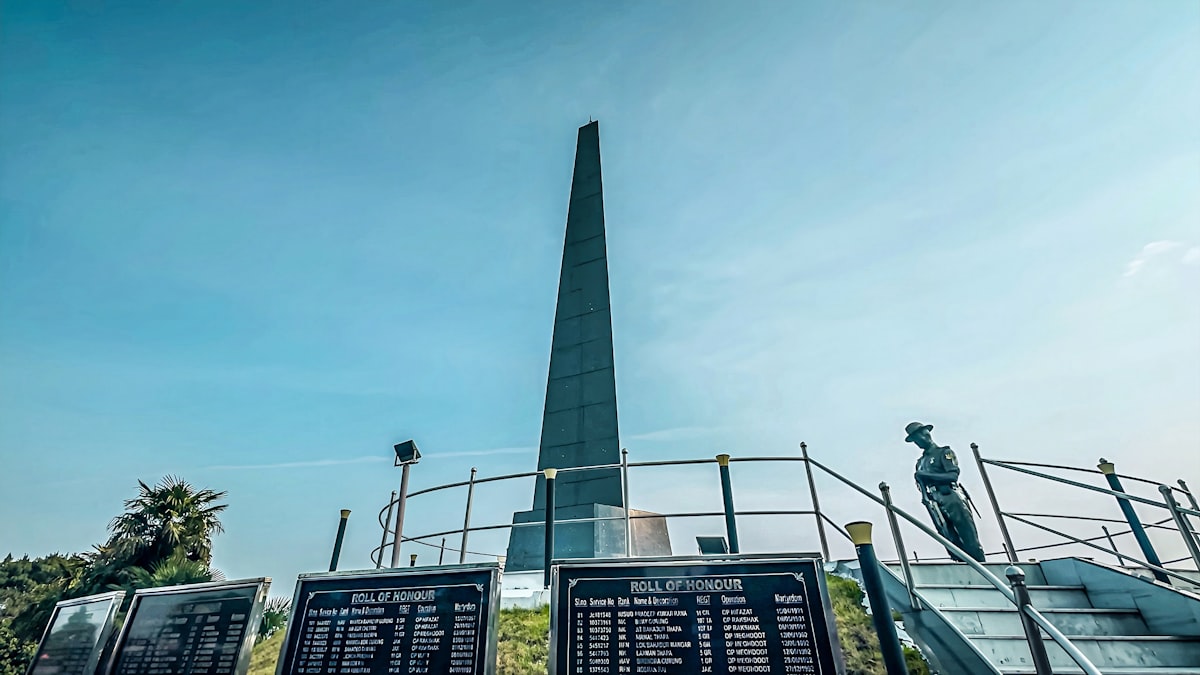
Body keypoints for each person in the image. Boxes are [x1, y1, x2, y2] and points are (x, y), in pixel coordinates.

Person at [905, 421, 986, 562]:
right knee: (946, 535)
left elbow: (952, 475)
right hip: (934, 499)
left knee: (966, 533)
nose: (918, 442)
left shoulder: (944, 452)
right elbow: (921, 484)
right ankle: (960, 562)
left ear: (926, 434)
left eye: (919, 437)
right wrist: (925, 497)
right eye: (915, 440)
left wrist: (925, 476)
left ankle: (980, 564)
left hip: (950, 494)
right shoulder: (920, 462)